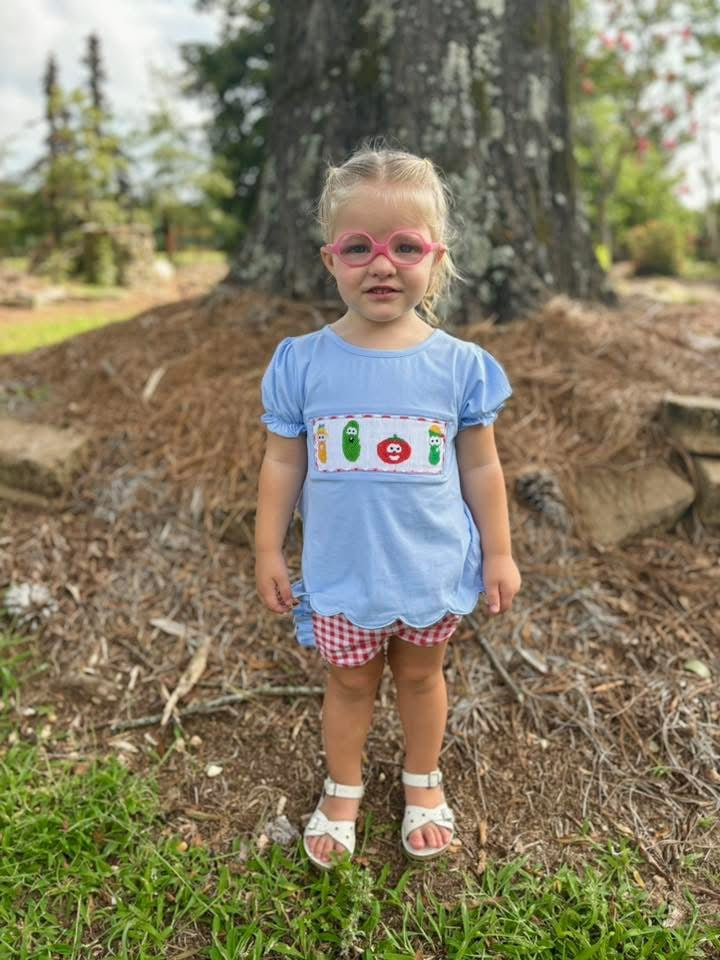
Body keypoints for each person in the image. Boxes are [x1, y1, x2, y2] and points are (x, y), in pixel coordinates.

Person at [255, 144, 521, 870]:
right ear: (329, 258)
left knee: (420, 676)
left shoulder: (459, 366)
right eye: (359, 246)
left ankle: (421, 781)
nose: (382, 263)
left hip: (429, 571)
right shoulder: (302, 361)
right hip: (345, 573)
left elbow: (482, 464)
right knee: (348, 681)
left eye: (405, 245)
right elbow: (282, 460)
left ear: (437, 258)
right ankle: (343, 786)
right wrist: (268, 549)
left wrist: (498, 551)